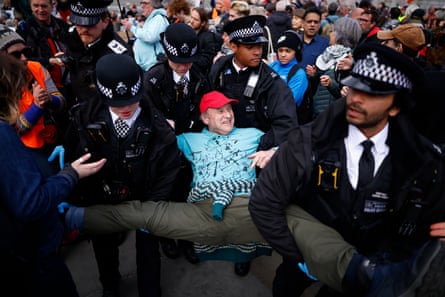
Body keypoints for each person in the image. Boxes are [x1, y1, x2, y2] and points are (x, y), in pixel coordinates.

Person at [249, 42, 445, 296]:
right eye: (354, 87)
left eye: (373, 94)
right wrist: (298, 256)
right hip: (304, 256)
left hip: (367, 265)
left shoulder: (421, 160)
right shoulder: (308, 141)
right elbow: (264, 202)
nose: (356, 99)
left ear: (395, 106)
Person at [64, 53, 180, 297]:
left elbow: (168, 168)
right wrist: (76, 189)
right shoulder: (82, 118)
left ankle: (150, 289)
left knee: (148, 248)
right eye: (118, 103)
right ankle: (110, 285)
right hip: (102, 196)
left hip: (144, 196)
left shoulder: (158, 126)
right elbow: (72, 152)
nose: (126, 108)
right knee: (104, 247)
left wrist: (154, 204)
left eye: (132, 100)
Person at [0, 53, 105, 297]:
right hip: (31, 255)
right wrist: (71, 174)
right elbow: (31, 203)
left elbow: (60, 100)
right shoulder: (4, 134)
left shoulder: (38, 70)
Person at [177, 90, 273, 273]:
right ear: (205, 118)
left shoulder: (253, 134)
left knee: (245, 228)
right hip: (207, 202)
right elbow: (159, 145)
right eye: (220, 111)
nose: (228, 115)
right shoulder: (189, 140)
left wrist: (271, 152)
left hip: (243, 201)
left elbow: (285, 145)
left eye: (229, 109)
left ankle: (244, 257)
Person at [143, 22, 210, 265]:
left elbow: (205, 109)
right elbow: (146, 115)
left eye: (188, 61)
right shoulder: (153, 79)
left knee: (190, 197)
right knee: (167, 197)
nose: (183, 67)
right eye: (178, 62)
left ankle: (188, 239)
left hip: (191, 148)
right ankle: (167, 237)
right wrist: (162, 125)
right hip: (163, 151)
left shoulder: (200, 77)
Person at [209, 15, 297, 151]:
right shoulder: (220, 67)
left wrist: (256, 144)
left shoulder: (270, 81)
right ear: (233, 46)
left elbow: (286, 124)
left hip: (254, 154)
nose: (258, 52)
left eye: (260, 46)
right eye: (250, 47)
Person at [0, 25, 67, 177]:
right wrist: (37, 107)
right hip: (20, 149)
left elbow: (62, 103)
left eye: (26, 51)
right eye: (16, 55)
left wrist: (49, 99)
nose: (24, 58)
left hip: (50, 141)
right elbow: (15, 129)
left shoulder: (36, 68)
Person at [64, 0, 133, 107]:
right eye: (79, 23)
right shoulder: (73, 39)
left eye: (89, 24)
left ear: (105, 22)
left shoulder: (119, 55)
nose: (83, 30)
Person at [16, 0, 72, 104]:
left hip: (70, 84)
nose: (40, 10)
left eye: (44, 6)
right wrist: (49, 61)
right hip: (42, 87)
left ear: (52, 5)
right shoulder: (24, 29)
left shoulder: (62, 25)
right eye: (36, 6)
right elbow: (21, 59)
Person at [268, 30, 309, 122]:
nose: (283, 55)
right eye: (280, 50)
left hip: (287, 121)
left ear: (295, 52)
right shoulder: (272, 66)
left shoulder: (299, 74)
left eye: (288, 51)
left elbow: (290, 101)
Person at [121, 0, 168, 72]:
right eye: (141, 3)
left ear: (154, 5)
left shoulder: (159, 18)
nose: (142, 6)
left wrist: (132, 28)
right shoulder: (153, 19)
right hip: (148, 67)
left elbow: (151, 37)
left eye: (145, 3)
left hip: (154, 66)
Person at [189, 7, 219, 74]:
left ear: (203, 23)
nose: (191, 21)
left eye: (196, 20)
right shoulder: (188, 32)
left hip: (199, 74)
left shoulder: (208, 37)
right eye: (191, 17)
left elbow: (207, 61)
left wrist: (188, 59)